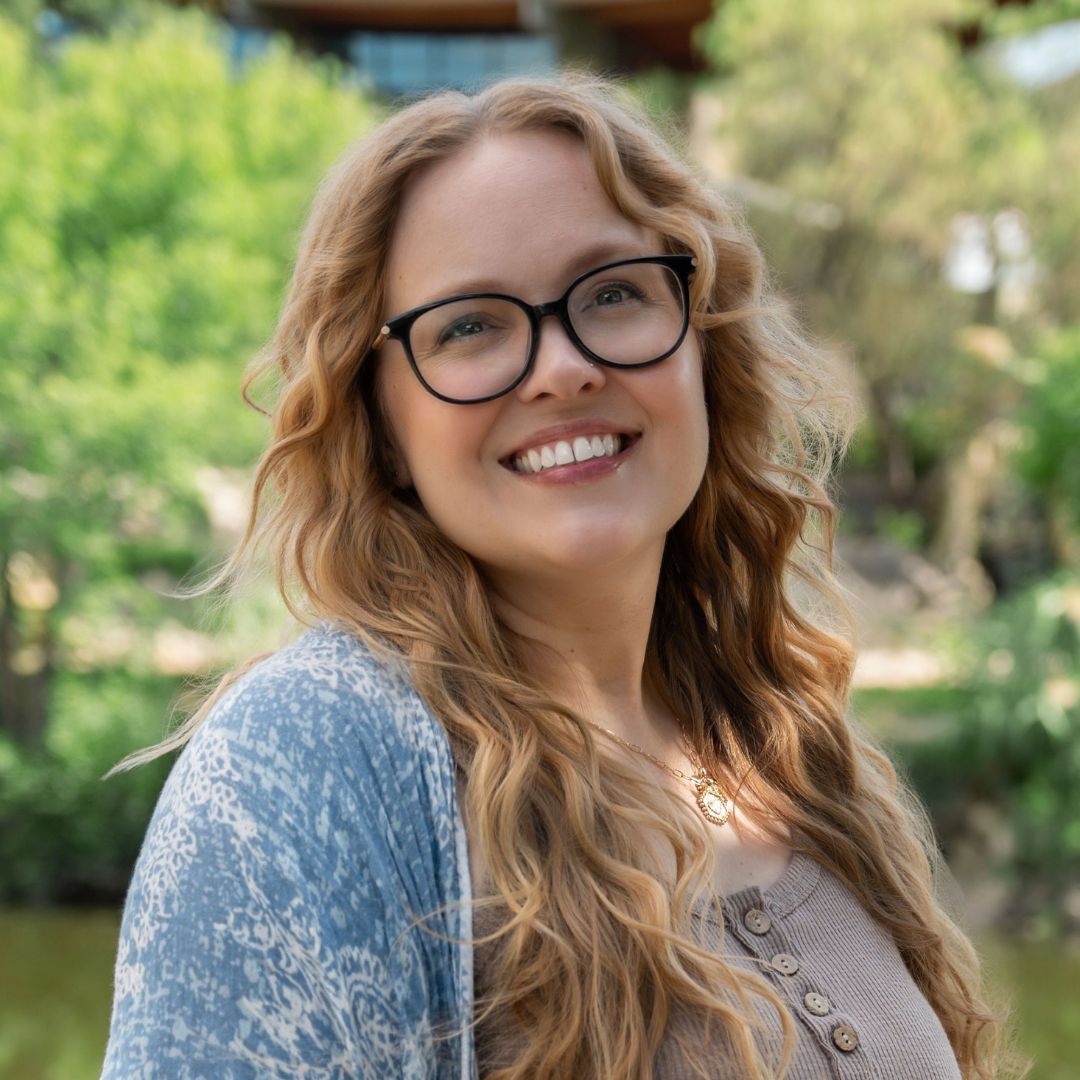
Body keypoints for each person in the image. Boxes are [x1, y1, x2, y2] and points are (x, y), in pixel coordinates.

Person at [101, 75, 1012, 1079]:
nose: (562, 366)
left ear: (703, 345)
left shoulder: (786, 746)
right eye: (469, 326)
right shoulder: (311, 762)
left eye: (614, 292)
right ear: (383, 424)